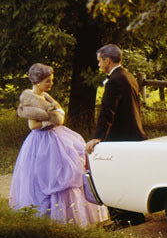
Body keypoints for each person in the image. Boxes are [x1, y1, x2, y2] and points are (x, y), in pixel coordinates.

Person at [9, 63, 110, 227]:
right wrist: (51, 120)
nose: (51, 84)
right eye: (48, 81)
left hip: (57, 136)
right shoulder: (31, 100)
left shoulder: (46, 97)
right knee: (51, 176)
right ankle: (49, 216)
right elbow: (33, 125)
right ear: (37, 81)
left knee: (71, 170)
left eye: (51, 80)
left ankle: (72, 216)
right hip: (43, 141)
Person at [85, 44, 146, 154]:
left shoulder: (115, 80)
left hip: (123, 138)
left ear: (107, 61)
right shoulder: (129, 76)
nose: (99, 65)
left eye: (100, 61)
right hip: (135, 134)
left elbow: (108, 110)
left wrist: (98, 137)